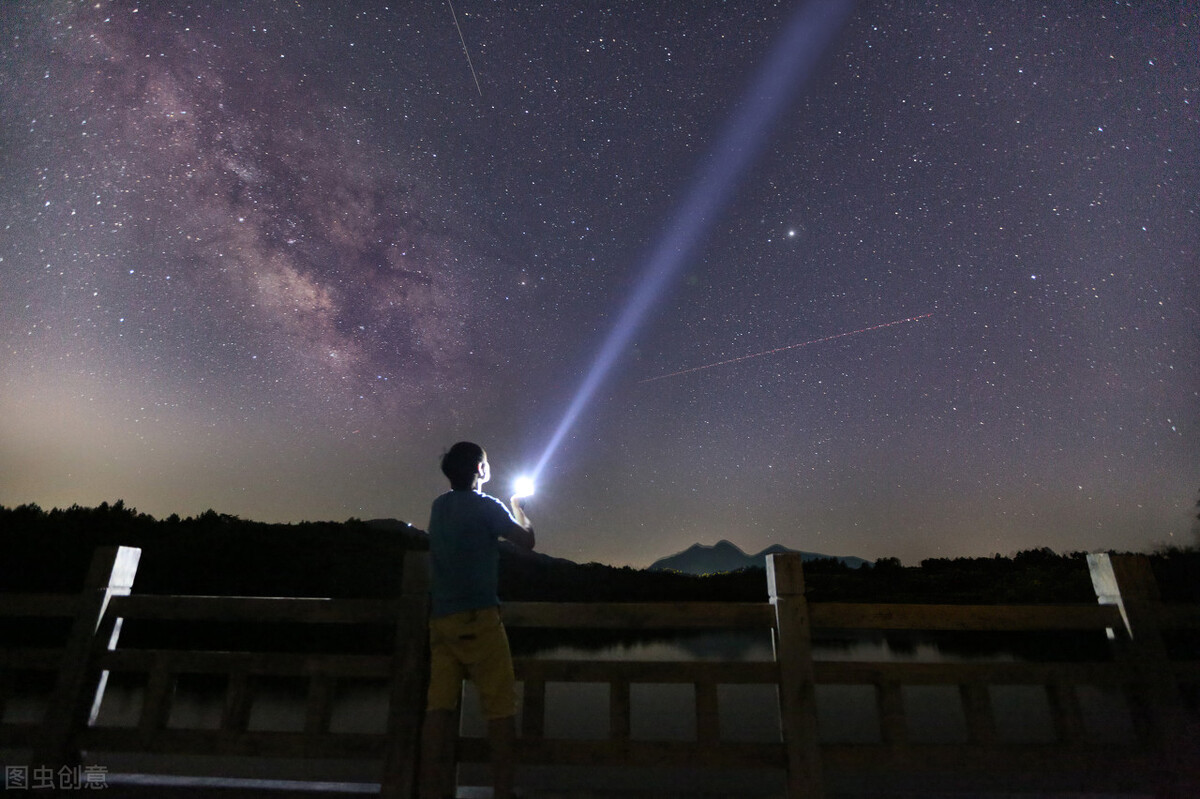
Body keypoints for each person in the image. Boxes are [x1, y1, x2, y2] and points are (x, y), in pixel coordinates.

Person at [419, 441, 535, 799]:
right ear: (481, 470)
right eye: (486, 463)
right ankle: (503, 790)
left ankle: (428, 788)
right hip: (480, 619)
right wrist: (520, 507)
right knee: (499, 709)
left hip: (442, 621)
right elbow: (526, 541)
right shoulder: (489, 507)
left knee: (439, 706)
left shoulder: (439, 507)